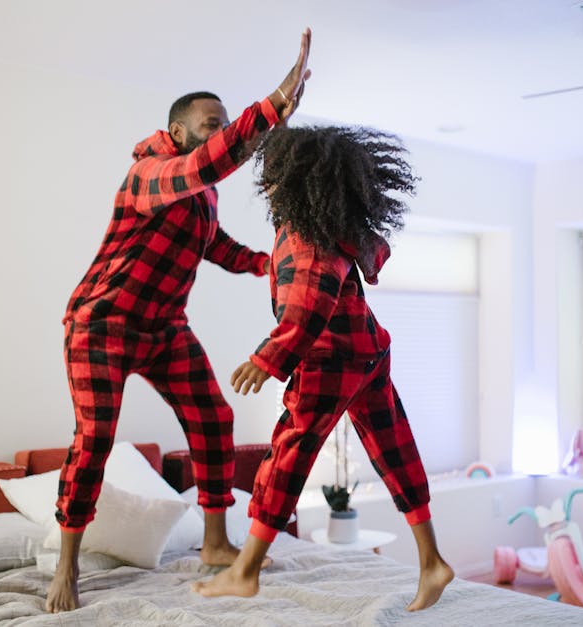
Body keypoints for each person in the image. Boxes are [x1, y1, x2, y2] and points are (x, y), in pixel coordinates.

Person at [46, 29, 312, 613]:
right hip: (102, 322)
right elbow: (206, 167)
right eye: (210, 123)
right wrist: (266, 108)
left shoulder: (201, 197)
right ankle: (65, 568)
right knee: (95, 439)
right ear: (178, 134)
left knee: (214, 419)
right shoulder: (152, 175)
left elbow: (218, 246)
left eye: (224, 121)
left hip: (163, 326)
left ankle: (215, 543)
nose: (219, 131)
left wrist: (276, 264)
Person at [192, 125, 454, 611]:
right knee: (392, 447)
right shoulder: (332, 227)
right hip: (368, 349)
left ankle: (245, 571)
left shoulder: (305, 236)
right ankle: (432, 560)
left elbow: (310, 304)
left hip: (331, 355)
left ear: (294, 181)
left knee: (289, 452)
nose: (265, 184)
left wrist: (266, 358)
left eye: (272, 174)